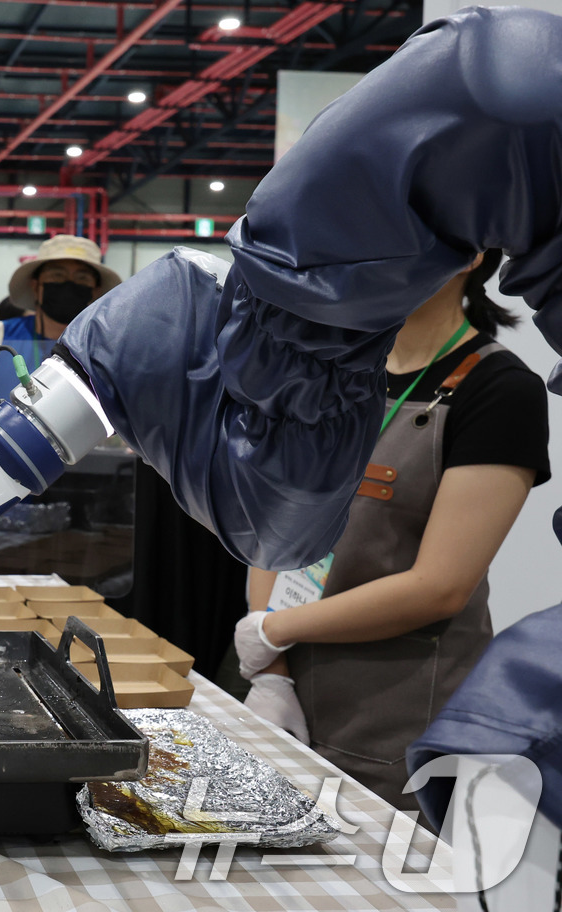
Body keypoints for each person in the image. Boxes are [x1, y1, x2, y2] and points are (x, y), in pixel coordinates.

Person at [235, 250, 549, 810]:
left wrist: (273, 631)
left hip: (400, 716)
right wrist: (272, 672)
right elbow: (275, 525)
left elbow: (440, 586)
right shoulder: (334, 372)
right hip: (290, 690)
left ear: (469, 256)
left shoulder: (500, 390)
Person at [0, 236, 121, 456]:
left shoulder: (106, 350)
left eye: (82, 278)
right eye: (57, 275)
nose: (69, 284)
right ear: (36, 286)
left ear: (95, 291)